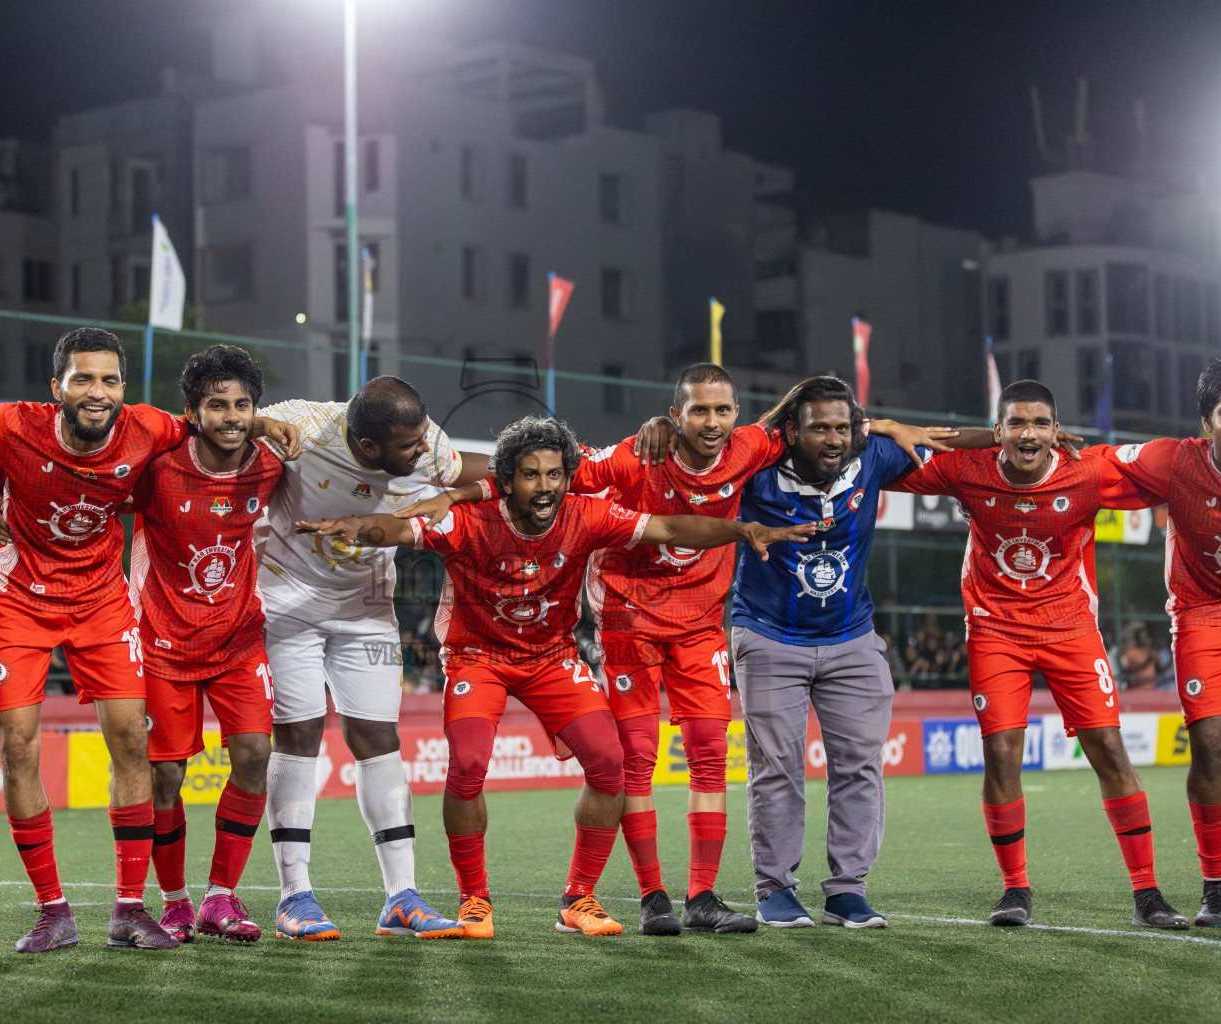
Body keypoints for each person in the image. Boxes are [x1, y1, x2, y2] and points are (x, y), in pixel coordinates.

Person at [397, 363, 947, 936]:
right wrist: (468, 491)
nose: (713, 423)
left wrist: (876, 422)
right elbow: (545, 477)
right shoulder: (635, 456)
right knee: (635, 757)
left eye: (723, 410)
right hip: (629, 620)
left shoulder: (750, 446)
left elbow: (809, 419)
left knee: (710, 756)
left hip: (702, 623)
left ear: (738, 415)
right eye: (699, 411)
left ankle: (702, 897)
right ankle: (652, 895)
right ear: (675, 414)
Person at [299, 415, 815, 938]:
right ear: (508, 478)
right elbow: (399, 529)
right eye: (529, 475)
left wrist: (742, 529)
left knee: (610, 761)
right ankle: (474, 898)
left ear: (569, 476)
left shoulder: (586, 515)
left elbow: (670, 526)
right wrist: (357, 528)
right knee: (469, 762)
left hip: (551, 657)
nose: (543, 486)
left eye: (553, 474)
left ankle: (579, 897)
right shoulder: (470, 519)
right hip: (477, 656)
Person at [0, 326, 299, 953]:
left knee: (149, 744)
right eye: (83, 378)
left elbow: (241, 431)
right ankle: (56, 911)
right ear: (57, 388)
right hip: (28, 600)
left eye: (109, 379)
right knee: (21, 747)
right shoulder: (13, 423)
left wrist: (264, 423)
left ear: (125, 389)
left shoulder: (159, 435)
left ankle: (144, 908)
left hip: (116, 605)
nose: (97, 391)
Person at [887, 378, 1189, 929]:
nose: (1029, 434)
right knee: (1002, 754)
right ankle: (1015, 889)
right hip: (995, 628)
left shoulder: (1089, 471)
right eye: (1016, 423)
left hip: (1070, 626)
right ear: (997, 431)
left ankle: (1148, 894)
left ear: (1057, 431)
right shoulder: (965, 470)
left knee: (1110, 751)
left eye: (1040, 423)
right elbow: (884, 460)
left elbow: (1173, 467)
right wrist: (885, 426)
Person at [252, 378, 489, 939]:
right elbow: (216, 428)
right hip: (286, 602)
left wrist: (453, 494)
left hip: (367, 609)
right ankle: (294, 897)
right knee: (300, 734)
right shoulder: (304, 427)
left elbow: (495, 473)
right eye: (406, 446)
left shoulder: (427, 443)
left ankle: (401, 898)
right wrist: (259, 425)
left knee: (379, 740)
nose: (421, 451)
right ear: (366, 441)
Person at [732, 375, 950, 930]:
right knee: (775, 769)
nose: (832, 439)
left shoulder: (873, 454)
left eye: (841, 427)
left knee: (860, 767)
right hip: (768, 633)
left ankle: (847, 890)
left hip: (852, 637)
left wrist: (1016, 436)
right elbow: (697, 455)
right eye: (818, 428)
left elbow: (946, 440)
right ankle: (775, 889)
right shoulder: (751, 468)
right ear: (789, 432)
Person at [1101, 356, 1221, 928]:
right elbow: (1088, 469)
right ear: (1206, 422)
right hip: (1205, 614)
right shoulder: (1173, 461)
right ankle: (1217, 886)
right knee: (1210, 743)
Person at [130, 347, 283, 943]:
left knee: (252, 755)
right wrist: (9, 507)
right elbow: (87, 495)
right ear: (191, 412)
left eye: (243, 405)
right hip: (163, 644)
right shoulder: (156, 468)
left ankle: (221, 896)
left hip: (239, 641)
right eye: (216, 404)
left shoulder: (271, 466)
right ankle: (173, 902)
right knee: (165, 776)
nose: (231, 415)